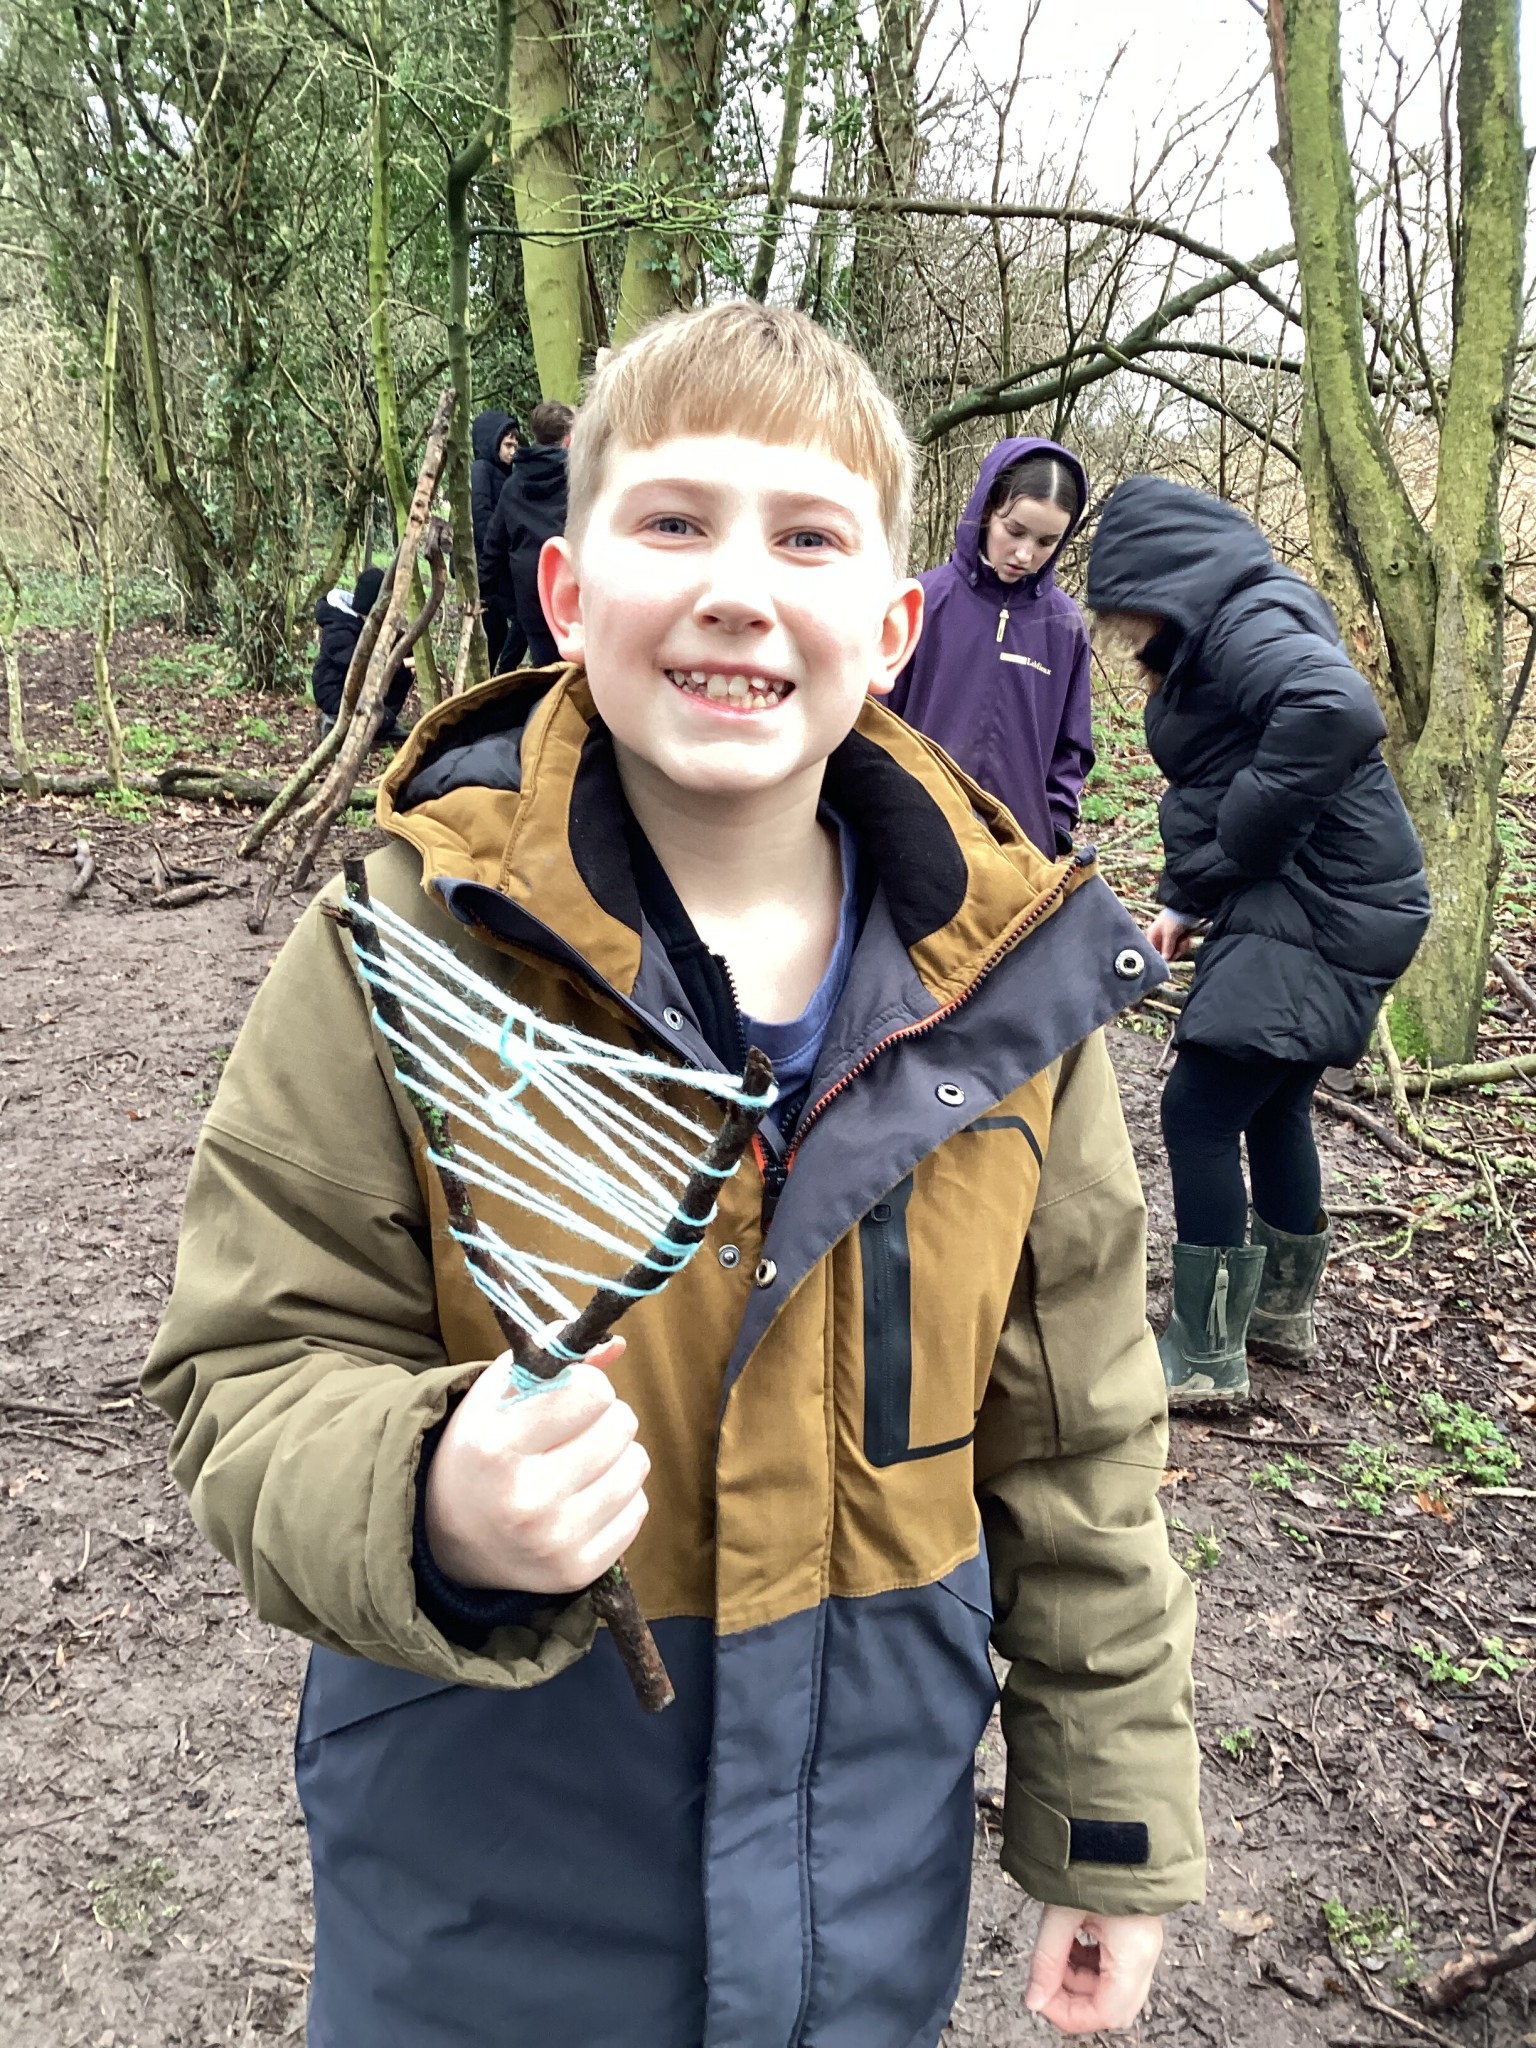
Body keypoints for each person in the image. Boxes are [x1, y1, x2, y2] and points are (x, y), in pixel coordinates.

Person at [145, 303, 1202, 2047]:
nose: (736, 586)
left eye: (804, 536)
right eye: (673, 521)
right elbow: (243, 1373)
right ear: (566, 592)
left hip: (860, 1920)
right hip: (482, 1915)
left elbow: (1078, 1438)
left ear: (891, 623)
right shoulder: (402, 950)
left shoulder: (1017, 995)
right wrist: (431, 1494)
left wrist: (1106, 1823)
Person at [1087, 476, 1431, 1406]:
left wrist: (1239, 843)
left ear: (1169, 579)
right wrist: (1185, 897)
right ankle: (1280, 1315)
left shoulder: (1244, 622)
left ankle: (1203, 1351)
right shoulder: (1231, 629)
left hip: (1319, 905)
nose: (1127, 638)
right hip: (1336, 900)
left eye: (1132, 614)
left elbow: (1335, 713)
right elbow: (1235, 773)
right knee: (1274, 1101)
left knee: (1197, 1111)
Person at [889, 437, 1092, 856]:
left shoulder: (1064, 625)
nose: (1024, 553)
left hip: (1019, 856)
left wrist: (1054, 827)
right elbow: (879, 722)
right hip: (912, 841)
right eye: (1014, 530)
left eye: (1046, 542)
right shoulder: (923, 601)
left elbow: (1071, 749)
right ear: (985, 511)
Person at [483, 396, 575, 672]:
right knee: (581, 679)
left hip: (532, 597)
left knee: (547, 678)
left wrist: (485, 591)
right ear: (569, 439)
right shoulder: (579, 481)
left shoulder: (513, 485)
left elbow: (494, 544)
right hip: (573, 596)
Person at [310, 564, 412, 745]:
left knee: (402, 671)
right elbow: (357, 665)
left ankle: (382, 722)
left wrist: (407, 651)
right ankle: (340, 721)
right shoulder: (338, 627)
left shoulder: (362, 624)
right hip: (335, 692)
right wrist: (400, 663)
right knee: (398, 670)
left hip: (356, 690)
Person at [470, 408, 522, 668]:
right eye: (507, 444)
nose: (513, 450)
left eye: (515, 444)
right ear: (492, 443)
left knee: (504, 628)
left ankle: (498, 678)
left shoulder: (507, 474)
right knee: (500, 628)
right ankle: (496, 679)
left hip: (500, 564)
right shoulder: (481, 469)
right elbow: (482, 519)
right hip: (487, 567)